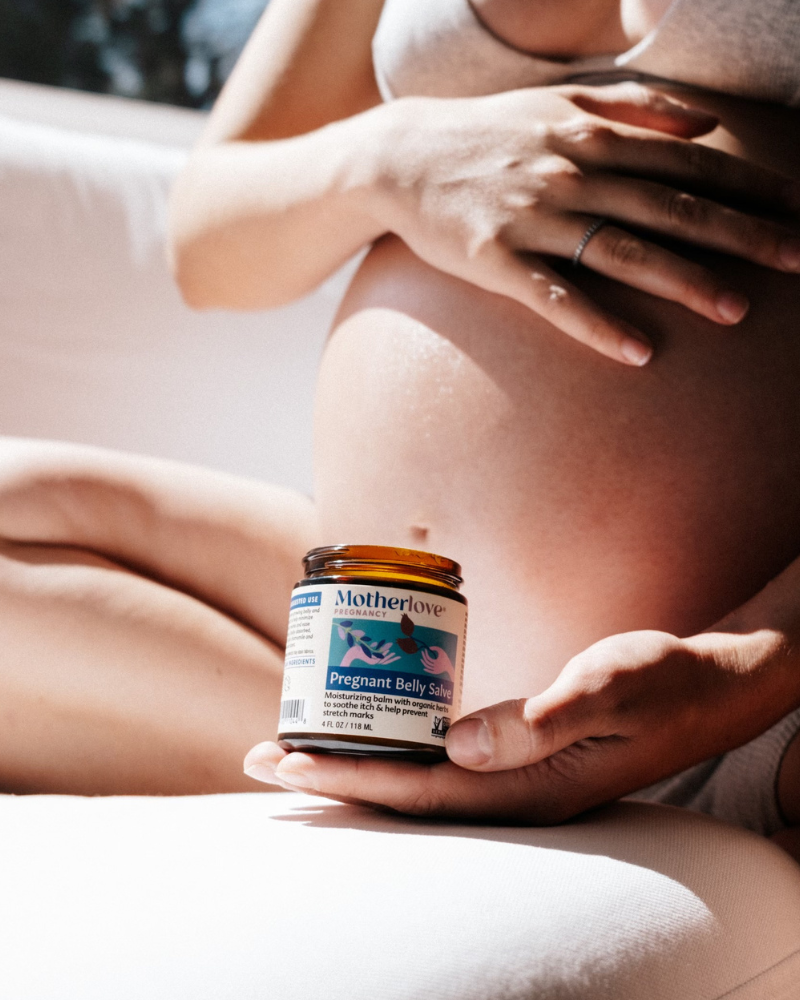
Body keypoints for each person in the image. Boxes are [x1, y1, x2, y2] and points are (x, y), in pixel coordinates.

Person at [2, 0, 799, 859]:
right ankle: (379, 765)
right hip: (351, 632)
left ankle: (463, 790)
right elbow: (207, 247)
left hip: (747, 687)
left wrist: (749, 666)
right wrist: (391, 155)